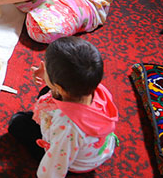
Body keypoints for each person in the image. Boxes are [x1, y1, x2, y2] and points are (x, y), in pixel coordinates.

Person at [8, 36, 118, 177]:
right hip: (93, 145)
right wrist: (48, 78)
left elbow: (53, 168)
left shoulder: (67, 127)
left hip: (76, 162)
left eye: (46, 68)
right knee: (45, 92)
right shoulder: (95, 88)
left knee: (17, 123)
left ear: (59, 88)